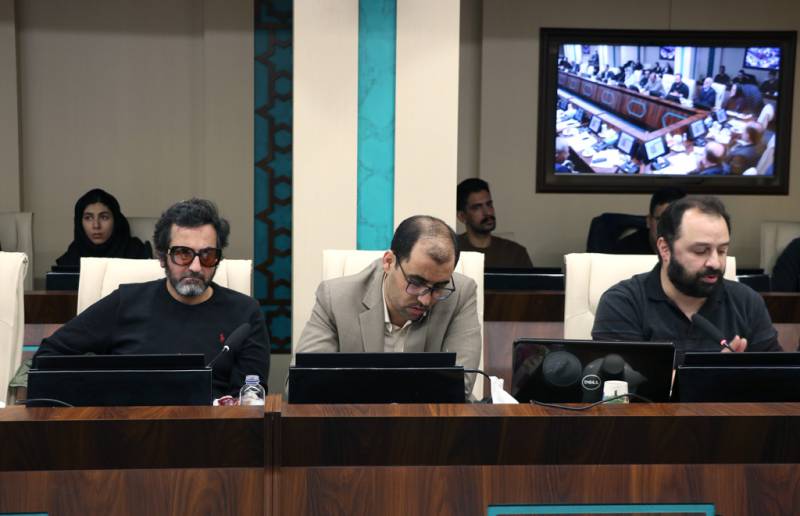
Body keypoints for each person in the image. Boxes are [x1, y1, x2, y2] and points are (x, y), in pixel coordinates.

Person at [36, 198, 270, 399]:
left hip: (214, 430)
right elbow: (48, 356)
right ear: (161, 257)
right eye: (183, 254)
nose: (196, 267)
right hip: (128, 428)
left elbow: (249, 402)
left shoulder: (245, 313)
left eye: (207, 255)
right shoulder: (125, 303)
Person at [294, 215, 481, 395]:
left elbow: (460, 386)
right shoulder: (335, 298)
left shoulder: (460, 294)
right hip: (355, 416)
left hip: (432, 417)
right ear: (389, 262)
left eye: (439, 287)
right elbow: (302, 384)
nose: (425, 300)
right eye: (416, 283)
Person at [592, 196, 780, 365]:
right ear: (665, 249)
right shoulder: (623, 303)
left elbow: (777, 377)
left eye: (722, 250)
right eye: (700, 251)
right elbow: (622, 383)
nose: (715, 262)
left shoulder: (746, 302)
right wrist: (710, 374)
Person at [55, 188, 152, 268]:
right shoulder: (72, 257)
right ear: (79, 223)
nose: (96, 225)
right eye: (88, 218)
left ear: (116, 221)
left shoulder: (136, 252)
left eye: (104, 217)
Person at [455, 178, 533, 269]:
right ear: (461, 216)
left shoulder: (516, 253)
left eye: (489, 204)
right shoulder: (452, 251)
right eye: (477, 207)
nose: (487, 212)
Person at [612, 187, 687, 254]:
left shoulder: (691, 247)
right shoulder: (625, 251)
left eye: (674, 220)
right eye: (661, 220)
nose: (667, 227)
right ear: (649, 221)